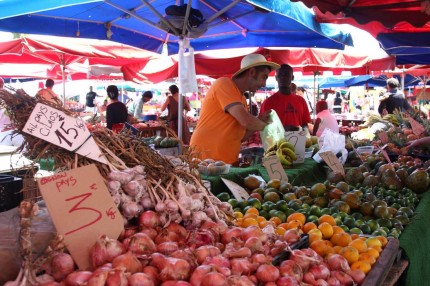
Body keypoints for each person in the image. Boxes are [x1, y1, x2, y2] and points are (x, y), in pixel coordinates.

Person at [190, 53, 279, 163]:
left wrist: (259, 121)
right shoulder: (224, 83)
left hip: (225, 162)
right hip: (205, 159)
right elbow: (247, 121)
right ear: (252, 72)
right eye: (264, 77)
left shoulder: (241, 99)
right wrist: (274, 130)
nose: (264, 83)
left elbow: (241, 137)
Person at [260, 64, 311, 132]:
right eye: (280, 75)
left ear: (292, 77)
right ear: (276, 78)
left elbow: (305, 124)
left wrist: (300, 131)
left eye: (287, 75)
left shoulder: (301, 101)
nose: (283, 77)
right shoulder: (268, 103)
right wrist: (282, 130)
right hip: (277, 142)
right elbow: (263, 127)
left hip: (299, 141)